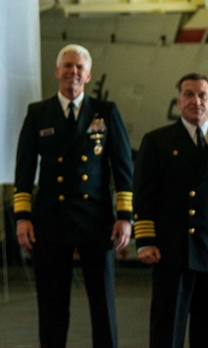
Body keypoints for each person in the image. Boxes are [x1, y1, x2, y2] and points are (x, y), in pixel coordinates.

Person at [13, 44, 134, 348]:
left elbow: (123, 169)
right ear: (57, 72)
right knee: (52, 306)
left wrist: (125, 217)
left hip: (96, 220)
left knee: (103, 305)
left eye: (79, 67)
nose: (73, 72)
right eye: (68, 66)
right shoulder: (39, 113)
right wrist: (22, 217)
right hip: (50, 219)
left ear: (88, 74)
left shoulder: (105, 112)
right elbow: (24, 170)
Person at [133, 73, 208, 348]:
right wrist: (146, 241)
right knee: (166, 336)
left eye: (202, 95)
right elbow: (143, 197)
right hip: (173, 254)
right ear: (178, 102)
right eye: (188, 94)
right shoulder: (157, 142)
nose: (195, 101)